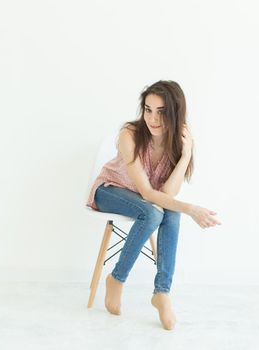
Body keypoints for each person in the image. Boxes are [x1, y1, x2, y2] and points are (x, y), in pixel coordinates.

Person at [86, 80, 221, 330]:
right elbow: (149, 193)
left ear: (174, 113)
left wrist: (187, 154)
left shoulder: (177, 141)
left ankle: (162, 292)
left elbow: (168, 193)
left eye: (161, 112)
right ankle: (116, 278)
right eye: (148, 110)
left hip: (144, 199)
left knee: (168, 210)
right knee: (151, 213)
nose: (153, 119)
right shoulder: (130, 134)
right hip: (110, 191)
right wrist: (191, 209)